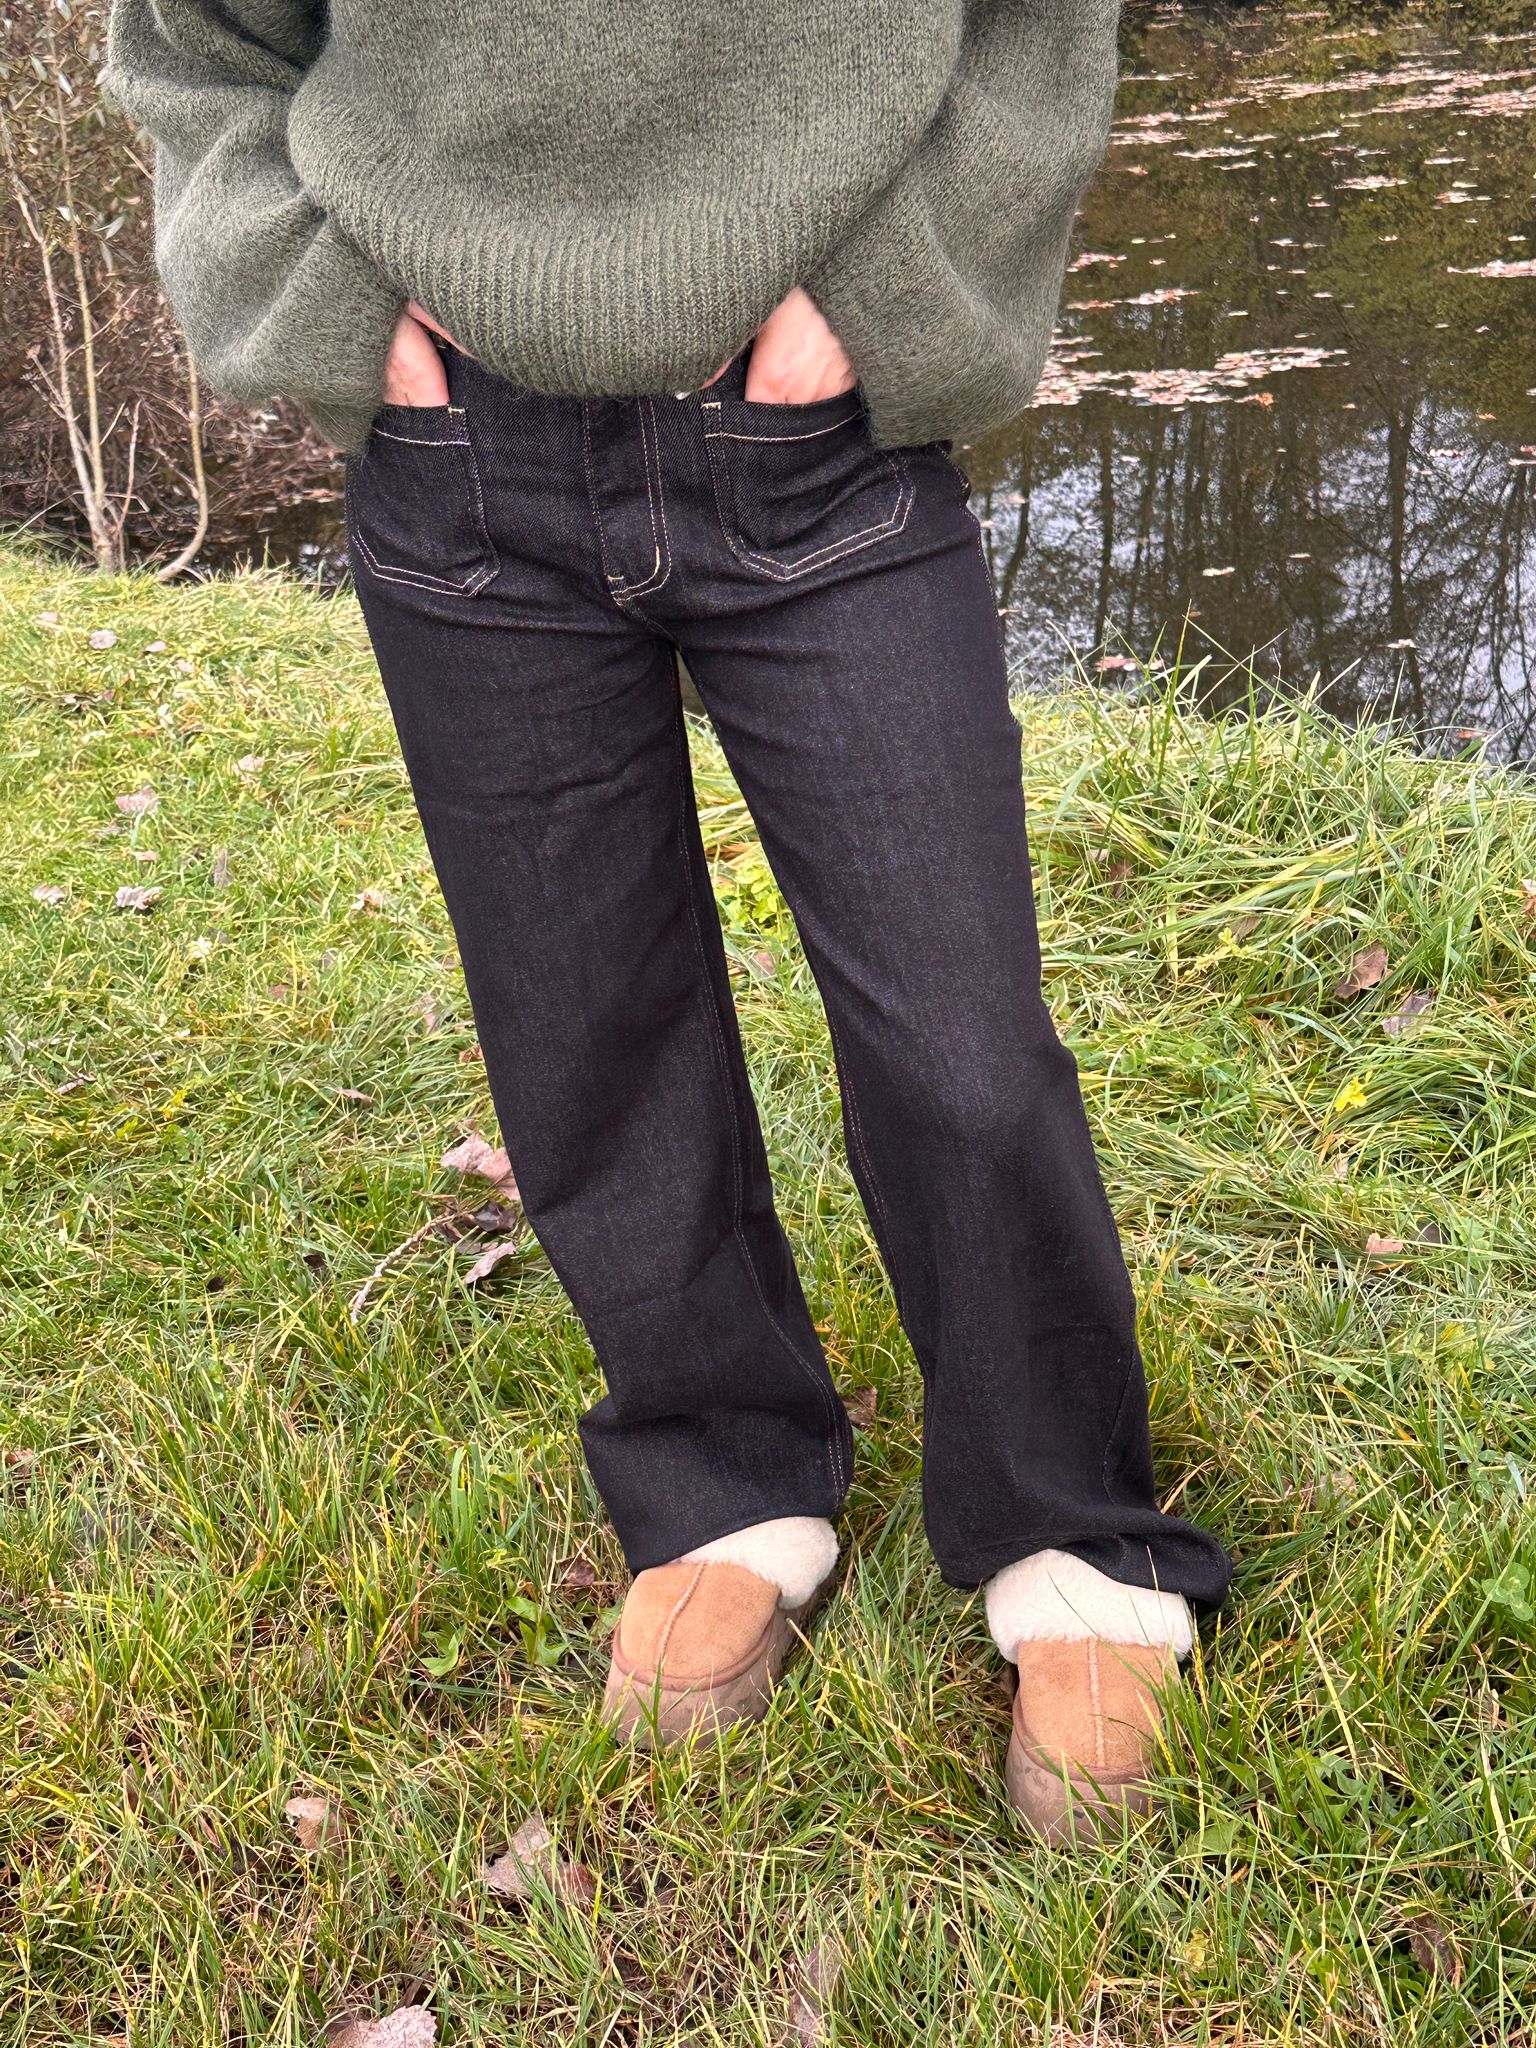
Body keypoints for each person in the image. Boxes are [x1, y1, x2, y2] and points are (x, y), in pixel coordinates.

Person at [104, 0, 1232, 1842]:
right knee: (586, 1024)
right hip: (461, 470)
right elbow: (194, 43)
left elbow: (1035, 23)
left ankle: (1073, 1536)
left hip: (823, 440)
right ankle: (722, 1482)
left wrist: (883, 291)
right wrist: (333, 312)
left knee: (961, 1045)